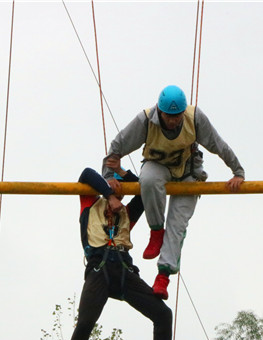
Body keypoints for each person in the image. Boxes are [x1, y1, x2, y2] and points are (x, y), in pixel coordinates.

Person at [103, 85, 245, 300]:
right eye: (169, 116)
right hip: (159, 166)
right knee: (148, 180)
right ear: (160, 112)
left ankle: (163, 276)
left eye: (177, 116)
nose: (173, 121)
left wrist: (238, 171)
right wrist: (108, 177)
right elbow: (117, 145)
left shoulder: (194, 118)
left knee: (178, 223)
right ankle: (156, 231)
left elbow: (218, 144)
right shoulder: (146, 120)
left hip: (188, 172)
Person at [58, 157, 179, 340]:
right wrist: (109, 190)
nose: (119, 191)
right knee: (85, 322)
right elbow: (85, 173)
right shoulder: (89, 202)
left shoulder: (127, 212)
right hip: (98, 268)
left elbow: (145, 189)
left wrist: (123, 174)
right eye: (114, 185)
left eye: (122, 187)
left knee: (163, 314)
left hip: (123, 269)